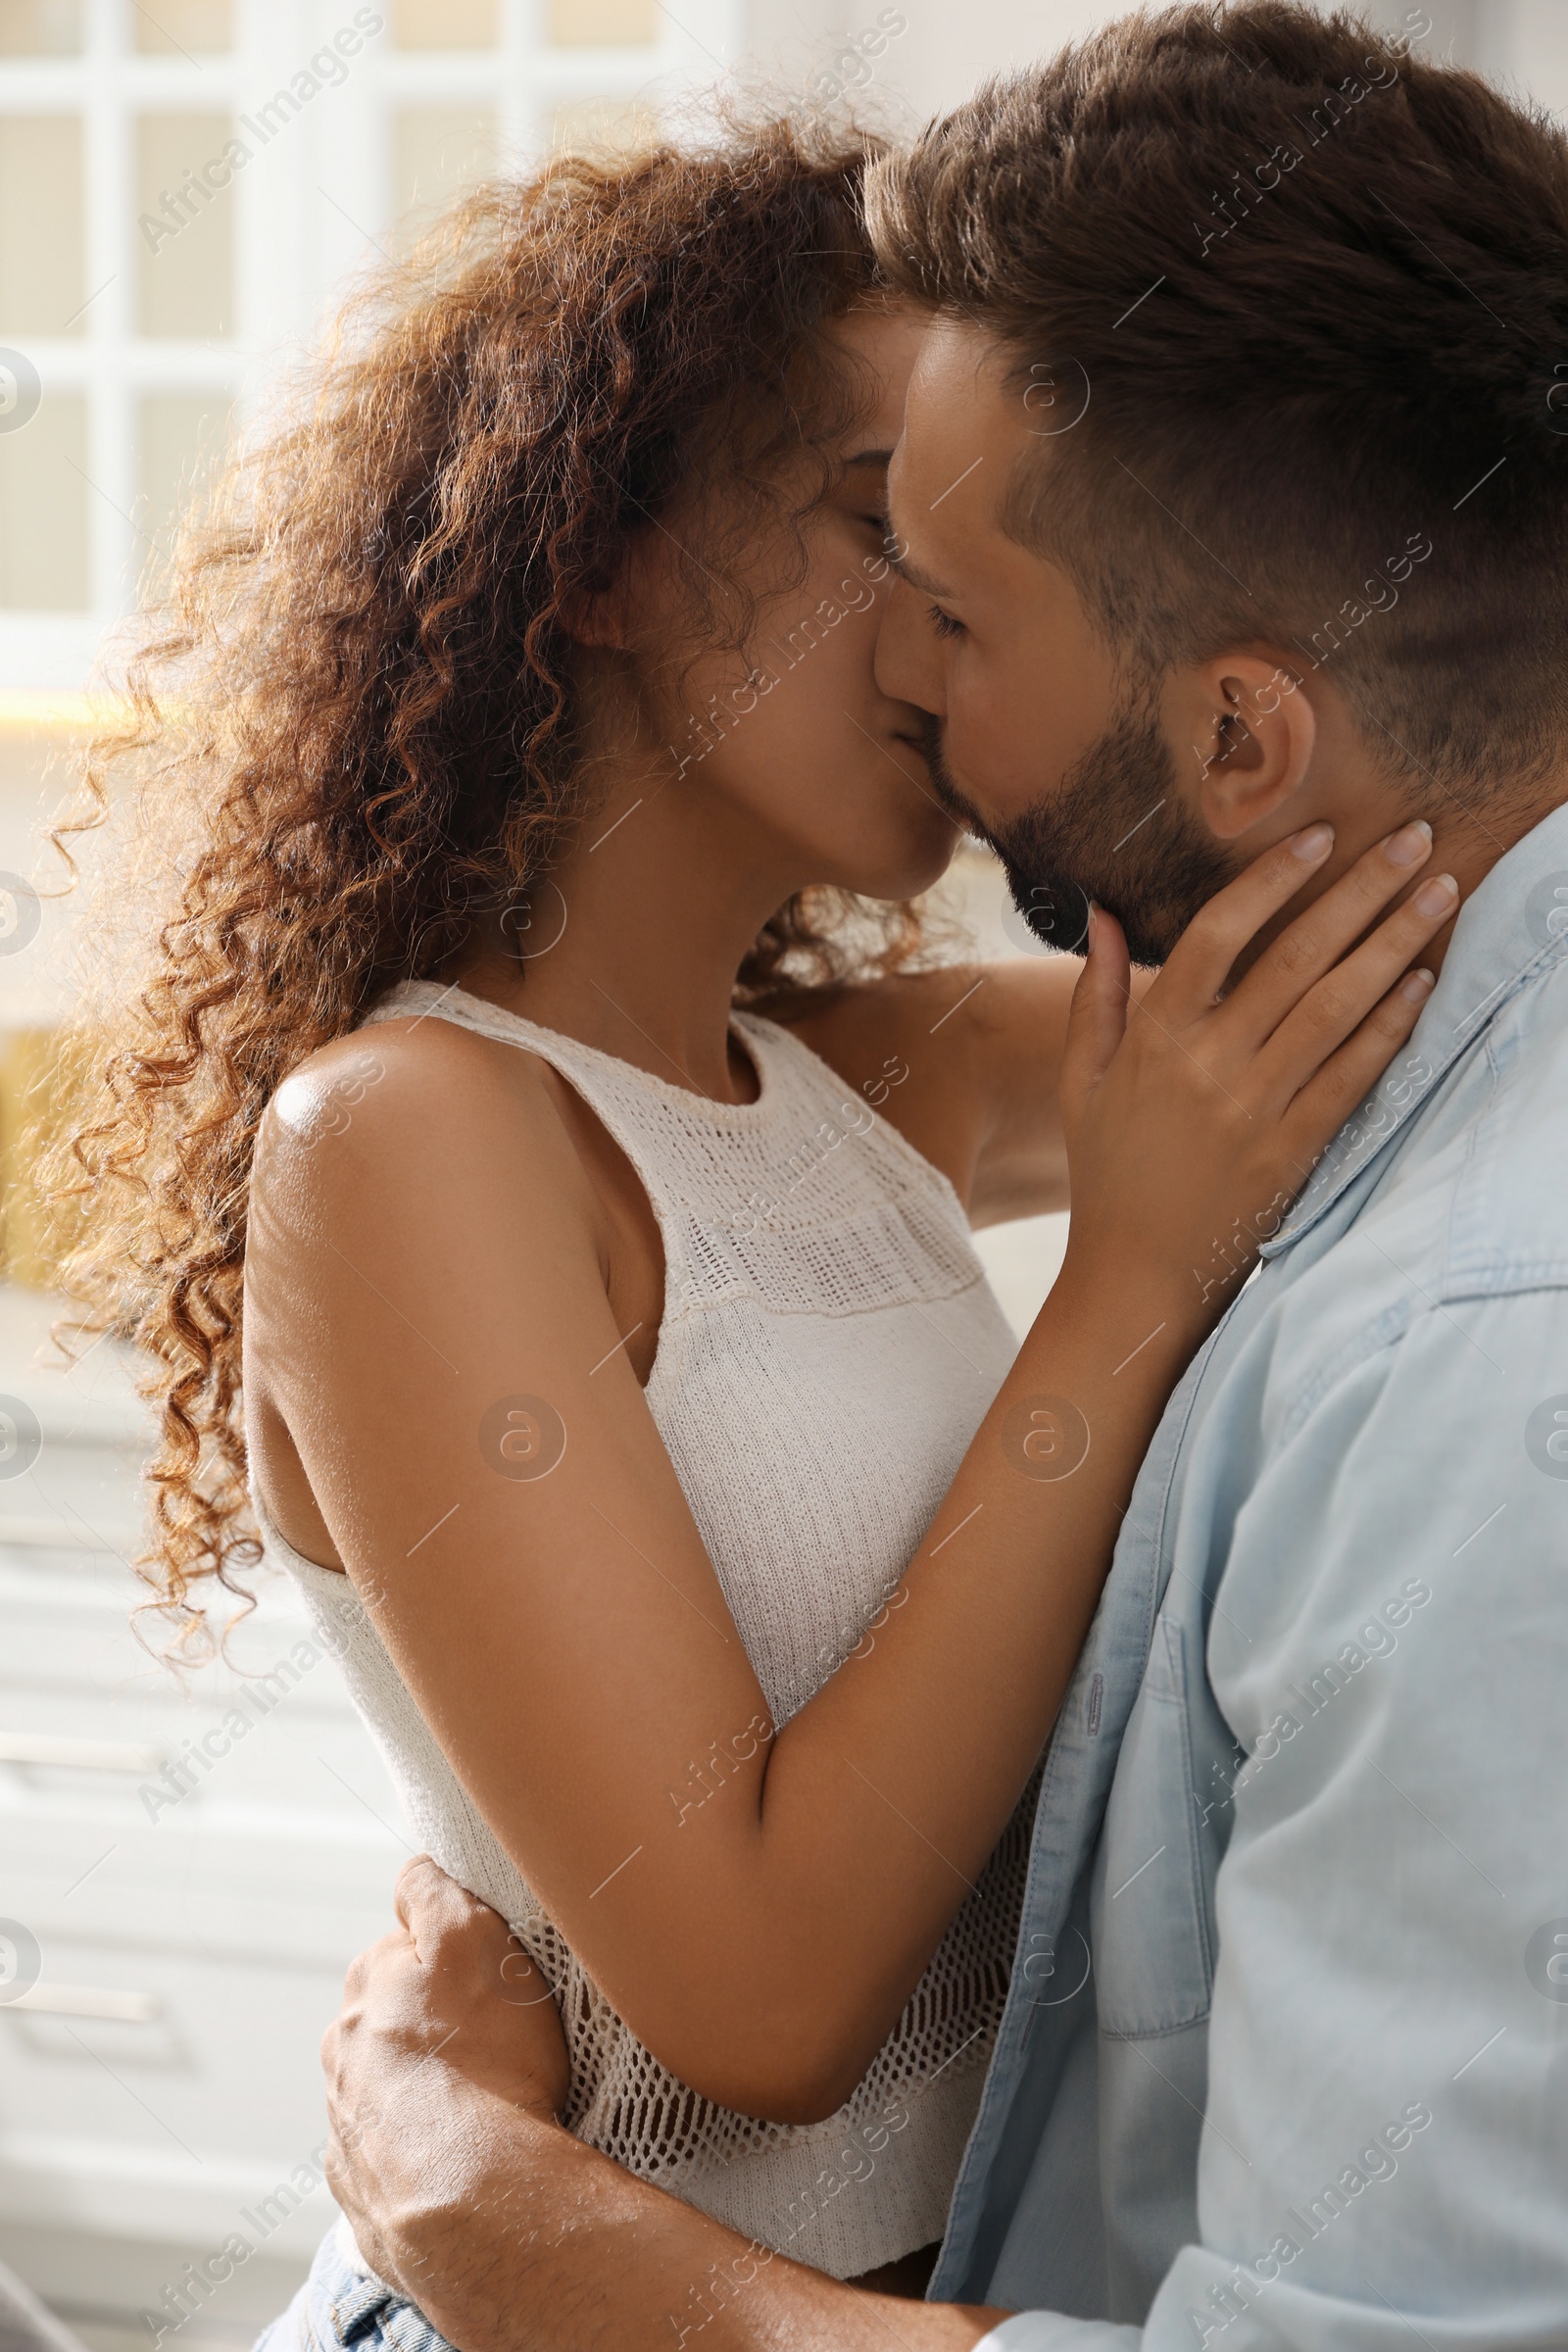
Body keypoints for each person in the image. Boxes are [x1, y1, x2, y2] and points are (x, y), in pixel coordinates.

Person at [57, 92, 1435, 2328]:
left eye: (1002, 559)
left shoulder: (843, 1086)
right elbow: (761, 1997)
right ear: (589, 551)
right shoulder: (403, 1135)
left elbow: (1359, 931)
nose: (953, 620)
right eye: (879, 525)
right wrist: (1118, 1301)